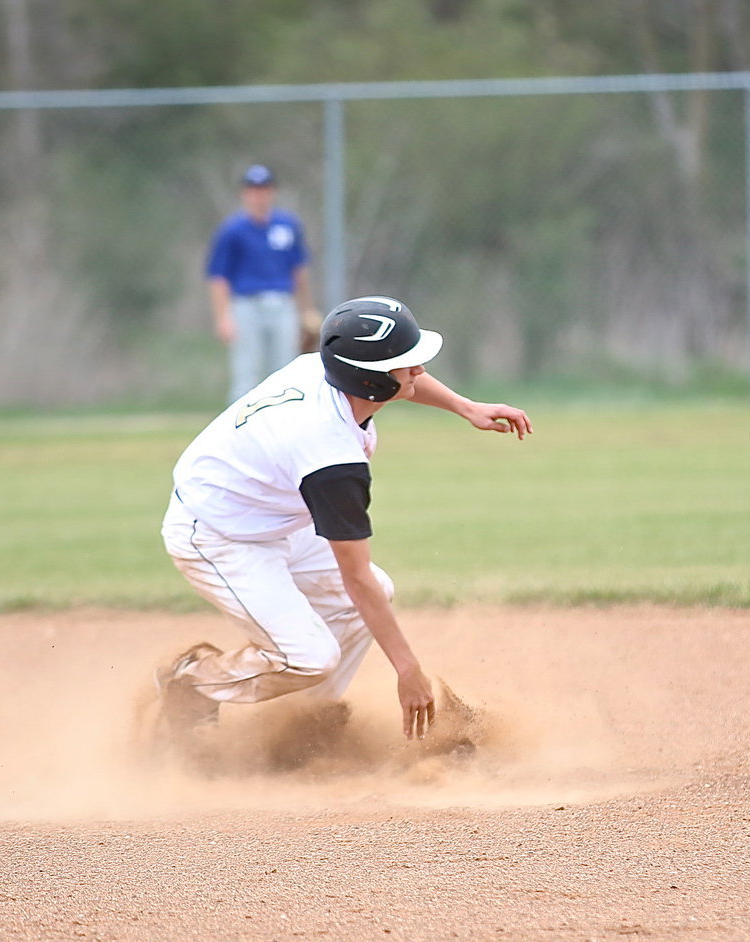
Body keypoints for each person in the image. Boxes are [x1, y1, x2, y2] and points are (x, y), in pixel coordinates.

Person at [157, 295, 532, 760]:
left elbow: (403, 376)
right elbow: (354, 576)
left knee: (374, 594)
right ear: (370, 381)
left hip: (270, 511)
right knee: (311, 654)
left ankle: (298, 730)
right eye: (406, 364)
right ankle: (196, 681)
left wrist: (465, 406)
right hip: (218, 533)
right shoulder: (330, 458)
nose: (417, 370)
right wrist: (408, 670)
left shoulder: (326, 366)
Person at [206, 163, 320, 404]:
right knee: (246, 373)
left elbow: (299, 272)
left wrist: (307, 310)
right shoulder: (233, 231)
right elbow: (218, 278)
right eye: (253, 189)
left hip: (281, 303)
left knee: (286, 372)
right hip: (246, 305)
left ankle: (285, 428)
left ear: (273, 192)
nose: (259, 194)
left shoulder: (287, 225)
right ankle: (239, 432)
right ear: (244, 193)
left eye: (264, 188)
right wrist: (223, 317)